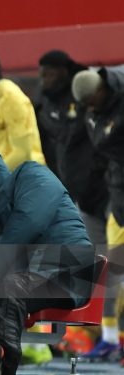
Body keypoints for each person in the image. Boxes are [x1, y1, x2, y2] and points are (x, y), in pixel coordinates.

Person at [0, 149, 95, 375]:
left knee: (9, 288)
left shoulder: (31, 174)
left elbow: (28, 222)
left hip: (68, 270)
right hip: (37, 274)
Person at [72, 68, 124, 363]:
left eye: (92, 100)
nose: (89, 107)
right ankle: (109, 338)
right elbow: (103, 143)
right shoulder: (97, 112)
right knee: (112, 271)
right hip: (118, 199)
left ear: (103, 88)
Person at [34, 50, 108, 245]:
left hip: (102, 186)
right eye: (41, 75)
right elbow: (41, 143)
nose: (44, 80)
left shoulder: (86, 94)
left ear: (64, 72)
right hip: (69, 189)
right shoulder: (42, 104)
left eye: (49, 74)